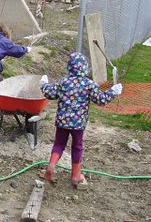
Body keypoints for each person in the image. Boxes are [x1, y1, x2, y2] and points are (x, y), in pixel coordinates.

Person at [40, 52, 123, 189]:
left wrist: (43, 84)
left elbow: (49, 93)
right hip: (78, 124)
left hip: (62, 121)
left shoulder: (63, 82)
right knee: (77, 146)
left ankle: (51, 165)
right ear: (85, 68)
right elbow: (101, 100)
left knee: (59, 144)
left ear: (69, 67)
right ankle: (75, 175)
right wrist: (112, 92)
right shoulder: (89, 84)